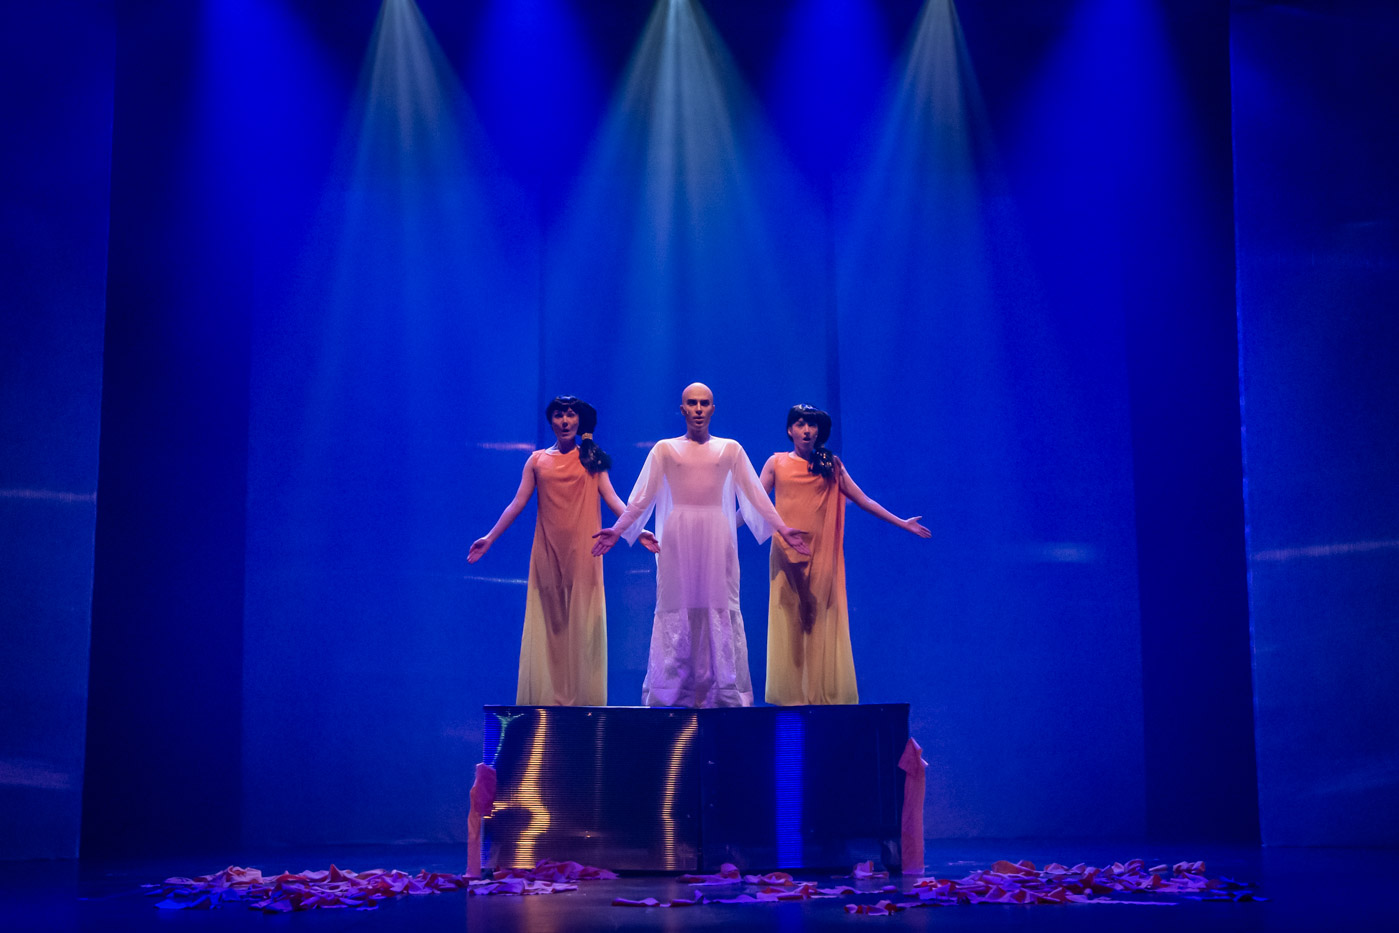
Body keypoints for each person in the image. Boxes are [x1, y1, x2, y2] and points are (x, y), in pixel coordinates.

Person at [591, 383, 809, 708]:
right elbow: (641, 499)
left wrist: (782, 528)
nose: (698, 409)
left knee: (718, 606)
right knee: (676, 605)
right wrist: (620, 530)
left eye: (704, 403)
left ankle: (720, 690)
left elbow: (755, 496)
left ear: (713, 409)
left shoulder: (730, 449)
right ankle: (673, 691)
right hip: (677, 537)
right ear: (682, 409)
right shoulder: (664, 449)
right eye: (691, 403)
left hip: (717, 535)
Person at [468, 396, 655, 706]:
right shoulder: (537, 461)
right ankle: (547, 700)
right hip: (547, 553)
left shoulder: (592, 459)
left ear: (579, 420)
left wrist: (636, 531)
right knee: (550, 624)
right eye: (559, 415)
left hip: (584, 554)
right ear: (551, 420)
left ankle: (582, 702)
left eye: (570, 415)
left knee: (581, 624)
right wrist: (490, 537)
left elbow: (613, 499)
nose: (565, 421)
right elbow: (517, 503)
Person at [760, 405, 930, 705]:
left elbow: (863, 499)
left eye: (812, 425)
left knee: (817, 619)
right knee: (790, 618)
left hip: (821, 554)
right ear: (790, 430)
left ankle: (817, 695)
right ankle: (793, 697)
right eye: (800, 424)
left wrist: (902, 523)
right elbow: (756, 503)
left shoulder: (831, 465)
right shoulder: (776, 463)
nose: (806, 430)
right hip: (787, 552)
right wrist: (725, 524)